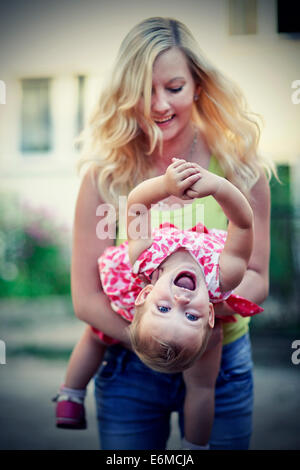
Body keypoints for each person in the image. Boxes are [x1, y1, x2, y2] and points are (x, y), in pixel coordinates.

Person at [67, 17, 274, 449]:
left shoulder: (240, 167)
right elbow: (86, 299)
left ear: (197, 85)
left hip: (224, 363)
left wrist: (197, 327)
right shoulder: (105, 176)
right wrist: (160, 339)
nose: (159, 105)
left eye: (174, 87)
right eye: (145, 91)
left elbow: (256, 277)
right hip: (130, 365)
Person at [54, 158, 263, 449]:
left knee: (96, 333)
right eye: (191, 316)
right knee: (202, 389)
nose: (180, 300)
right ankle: (196, 447)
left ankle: (71, 393)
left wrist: (165, 186)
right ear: (211, 317)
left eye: (164, 309)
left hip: (131, 301)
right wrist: (219, 188)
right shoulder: (223, 276)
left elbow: (137, 204)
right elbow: (243, 223)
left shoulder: (143, 258)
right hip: (196, 336)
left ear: (147, 294)